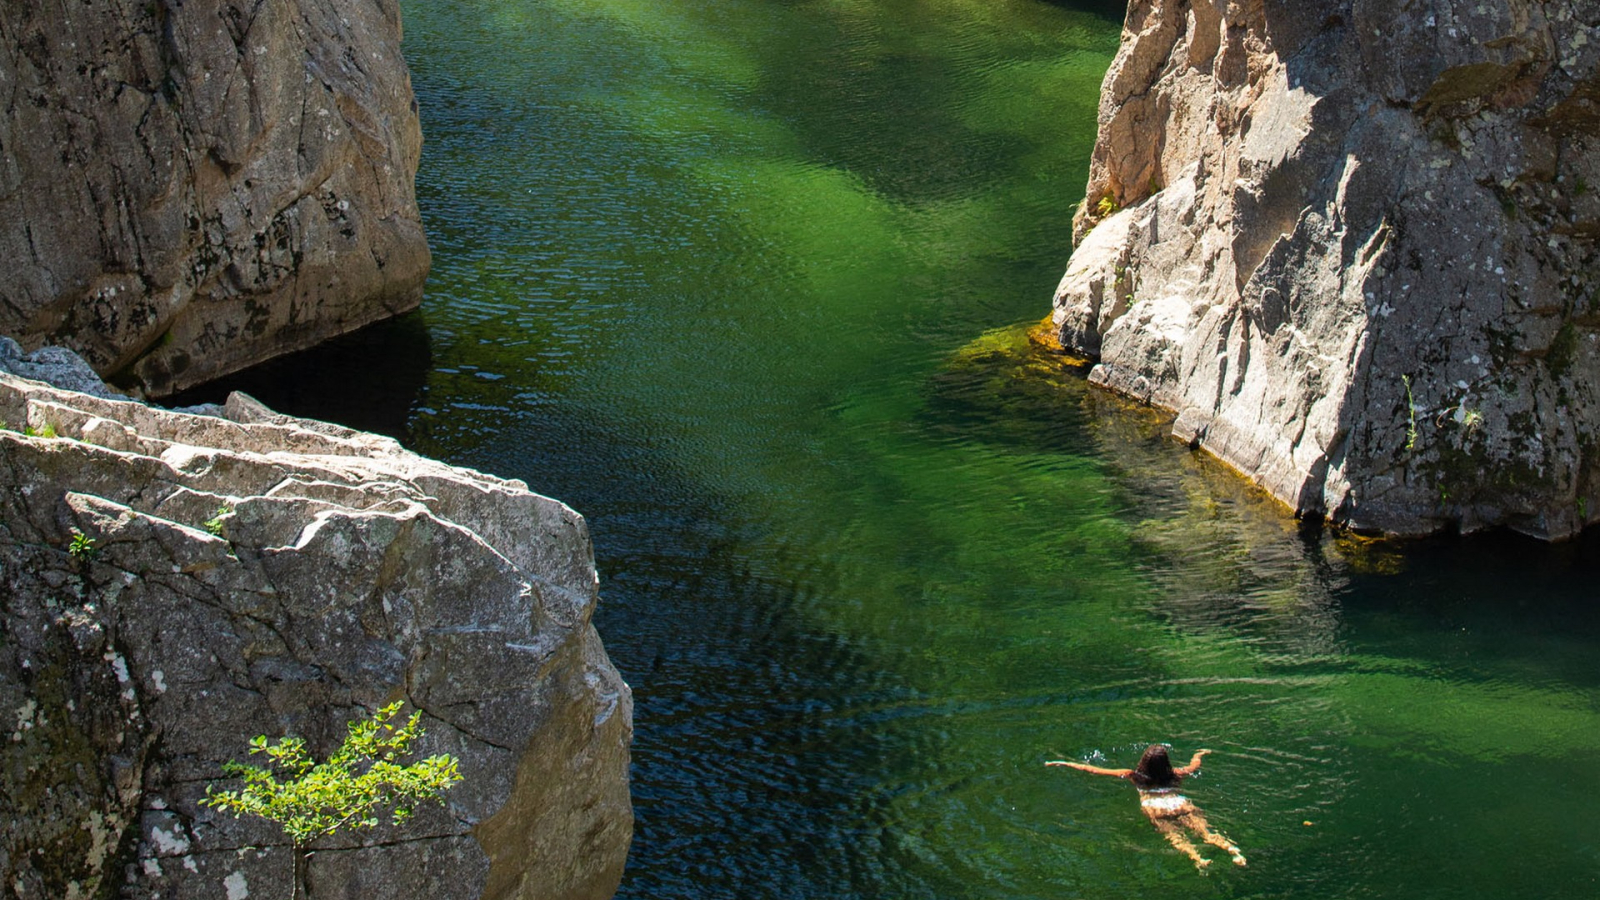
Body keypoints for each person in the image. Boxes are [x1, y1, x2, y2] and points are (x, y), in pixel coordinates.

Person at [1047, 744, 1246, 870]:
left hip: (1155, 806)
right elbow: (1195, 766)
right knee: (1205, 831)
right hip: (1178, 802)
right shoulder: (1176, 773)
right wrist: (1199, 753)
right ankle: (1233, 851)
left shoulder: (1134, 776)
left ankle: (1197, 858)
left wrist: (1062, 762)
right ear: (1166, 762)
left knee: (1175, 836)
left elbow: (1091, 769)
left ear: (1144, 762)